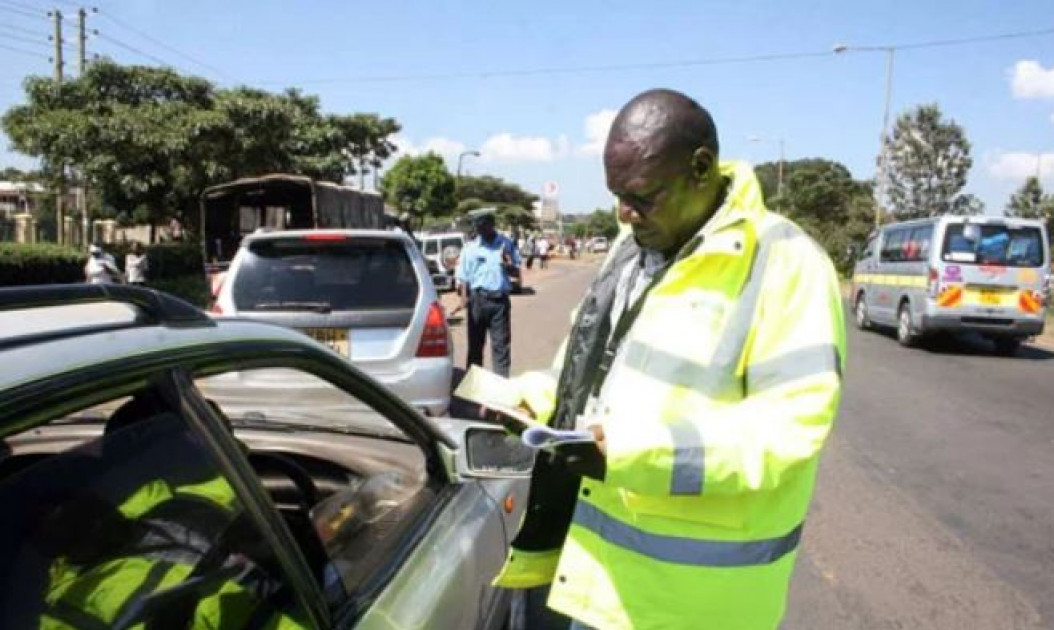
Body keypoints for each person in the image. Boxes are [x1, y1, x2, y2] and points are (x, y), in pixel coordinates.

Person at [492, 89, 845, 630]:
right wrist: (528, 401)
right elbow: (585, 370)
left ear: (701, 168)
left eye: (640, 196)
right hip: (589, 578)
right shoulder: (631, 249)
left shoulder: (786, 264)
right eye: (616, 195)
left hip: (686, 605)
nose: (624, 213)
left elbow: (790, 431)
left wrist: (634, 453)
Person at [456, 211, 521, 377]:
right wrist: (464, 299)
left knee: (501, 347)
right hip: (477, 301)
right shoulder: (470, 248)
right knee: (475, 346)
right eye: (478, 228)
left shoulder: (506, 244)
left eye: (483, 227)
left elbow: (516, 273)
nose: (480, 231)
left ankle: (501, 388)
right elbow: (463, 277)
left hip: (499, 302)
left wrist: (509, 265)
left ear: (492, 225)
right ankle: (473, 387)